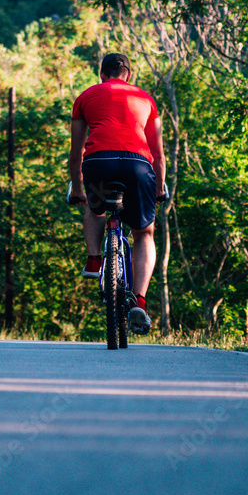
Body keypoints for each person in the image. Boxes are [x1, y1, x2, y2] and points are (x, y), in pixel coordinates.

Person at [68, 53, 167, 334]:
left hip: (99, 163)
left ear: (102, 74)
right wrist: (159, 187)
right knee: (144, 232)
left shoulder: (86, 96)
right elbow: (157, 154)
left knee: (95, 207)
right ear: (128, 74)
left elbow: (76, 154)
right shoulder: (146, 99)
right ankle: (140, 301)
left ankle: (93, 259)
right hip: (137, 166)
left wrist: (77, 188)